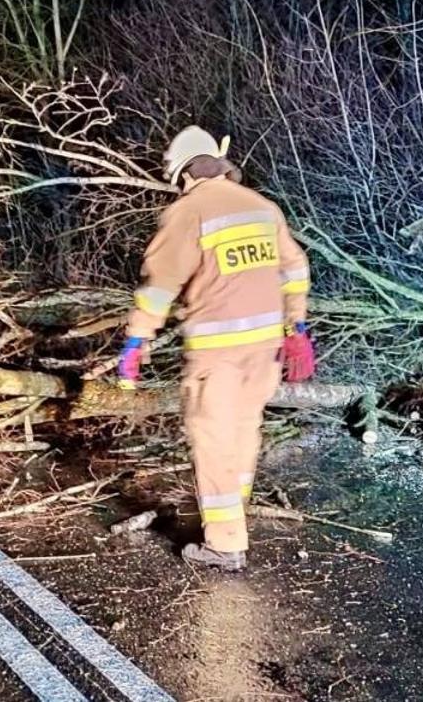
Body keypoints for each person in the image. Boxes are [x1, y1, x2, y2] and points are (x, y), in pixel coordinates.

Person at [117, 125, 316, 572]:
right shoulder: (263, 208)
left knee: (212, 441)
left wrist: (136, 340)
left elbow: (159, 287)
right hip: (264, 352)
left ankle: (225, 544)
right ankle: (232, 515)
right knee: (243, 432)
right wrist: (296, 325)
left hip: (218, 355)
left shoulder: (190, 212)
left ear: (184, 175)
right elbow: (295, 267)